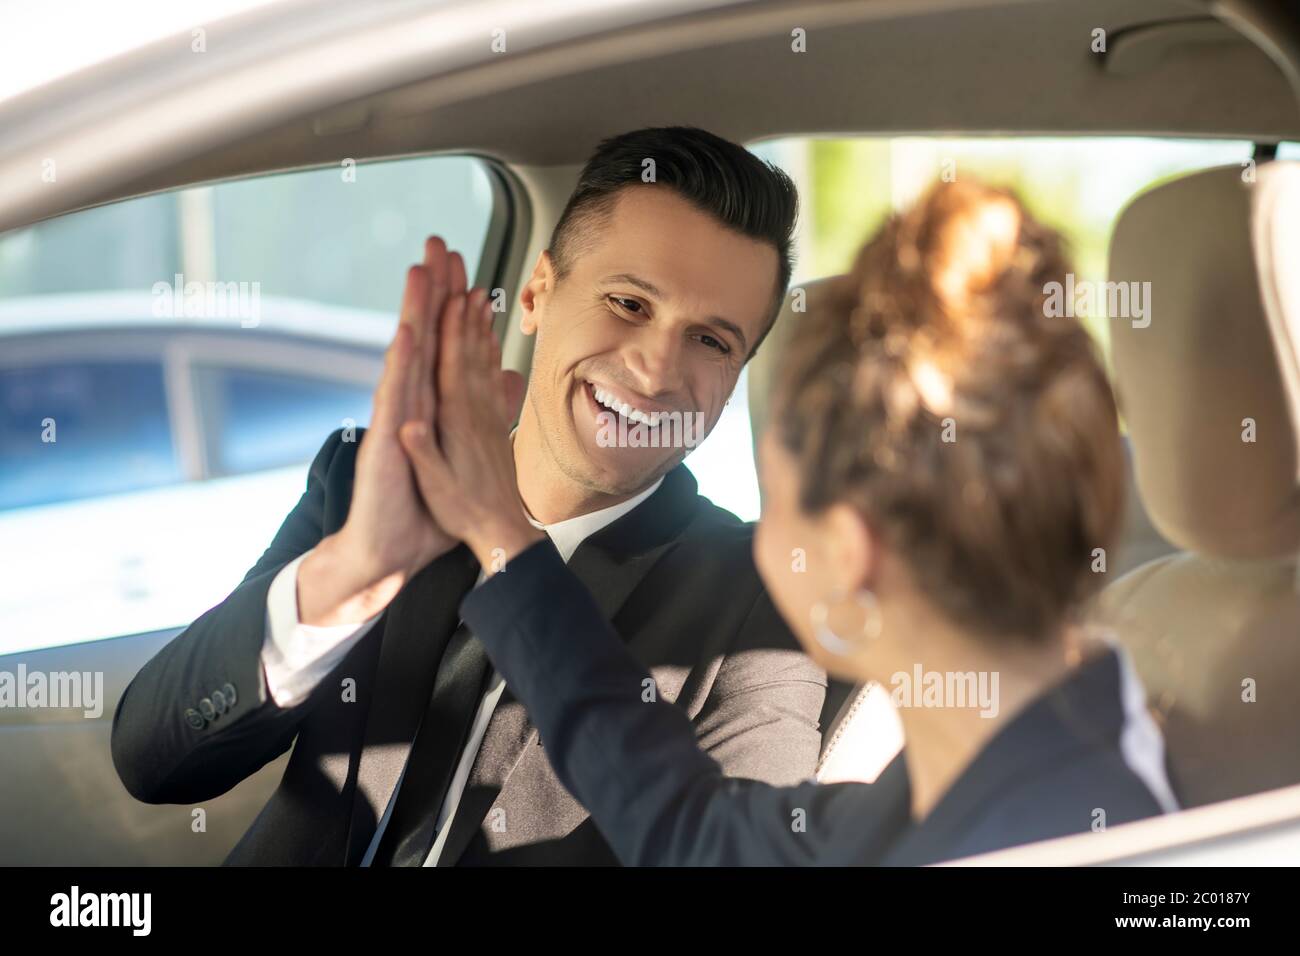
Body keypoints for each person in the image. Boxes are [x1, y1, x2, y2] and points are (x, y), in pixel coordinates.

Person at [399, 179, 1181, 866]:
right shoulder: (1015, 762)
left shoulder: (1035, 825)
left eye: (774, 499)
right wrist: (505, 539)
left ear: (846, 555)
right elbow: (692, 829)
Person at [111, 127, 829, 866]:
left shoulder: (759, 601)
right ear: (537, 293)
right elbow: (153, 762)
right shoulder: (371, 480)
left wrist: (506, 546)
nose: (655, 372)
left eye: (711, 341)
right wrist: (352, 572)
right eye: (628, 303)